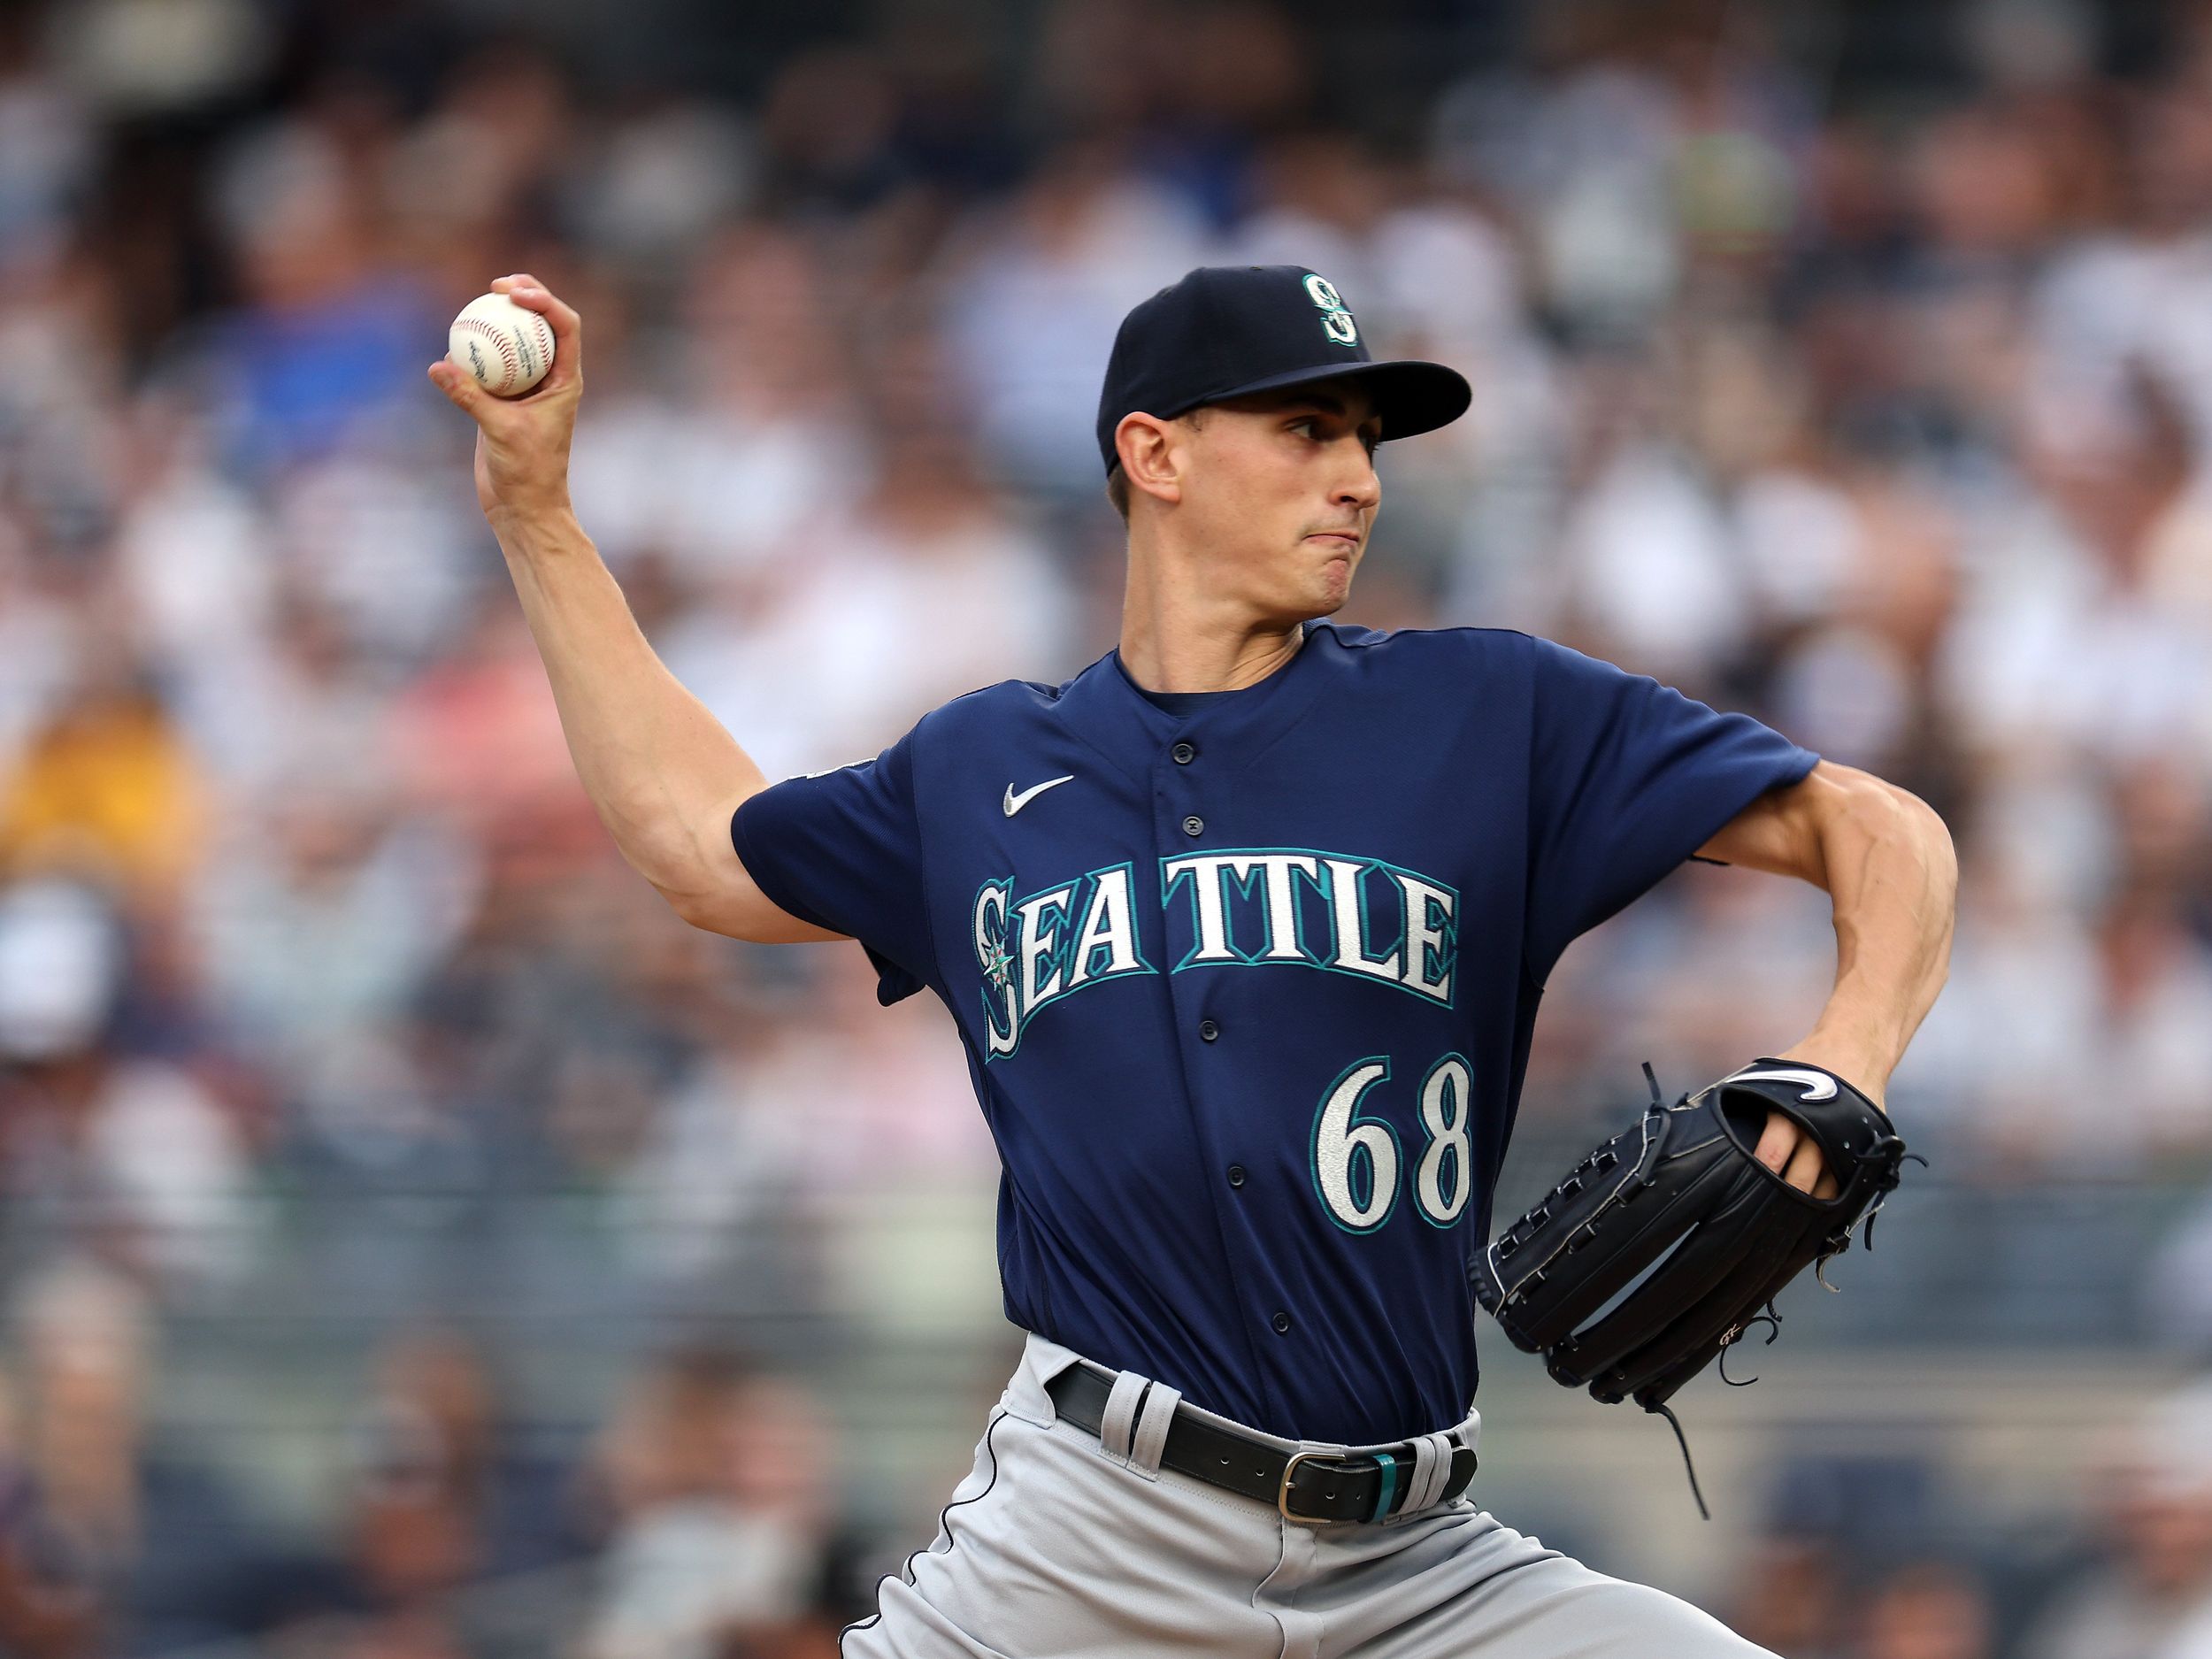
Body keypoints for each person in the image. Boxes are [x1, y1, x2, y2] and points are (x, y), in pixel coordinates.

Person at [428, 263, 1956, 1656]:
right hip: (1087, 1550)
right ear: (1156, 455)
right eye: (1306, 432)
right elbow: (703, 846)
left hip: (1424, 1571)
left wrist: (1842, 1069)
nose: (1359, 479)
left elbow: (1880, 834)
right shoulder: (981, 771)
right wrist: (536, 514)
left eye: (1367, 439)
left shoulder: (1488, 715)